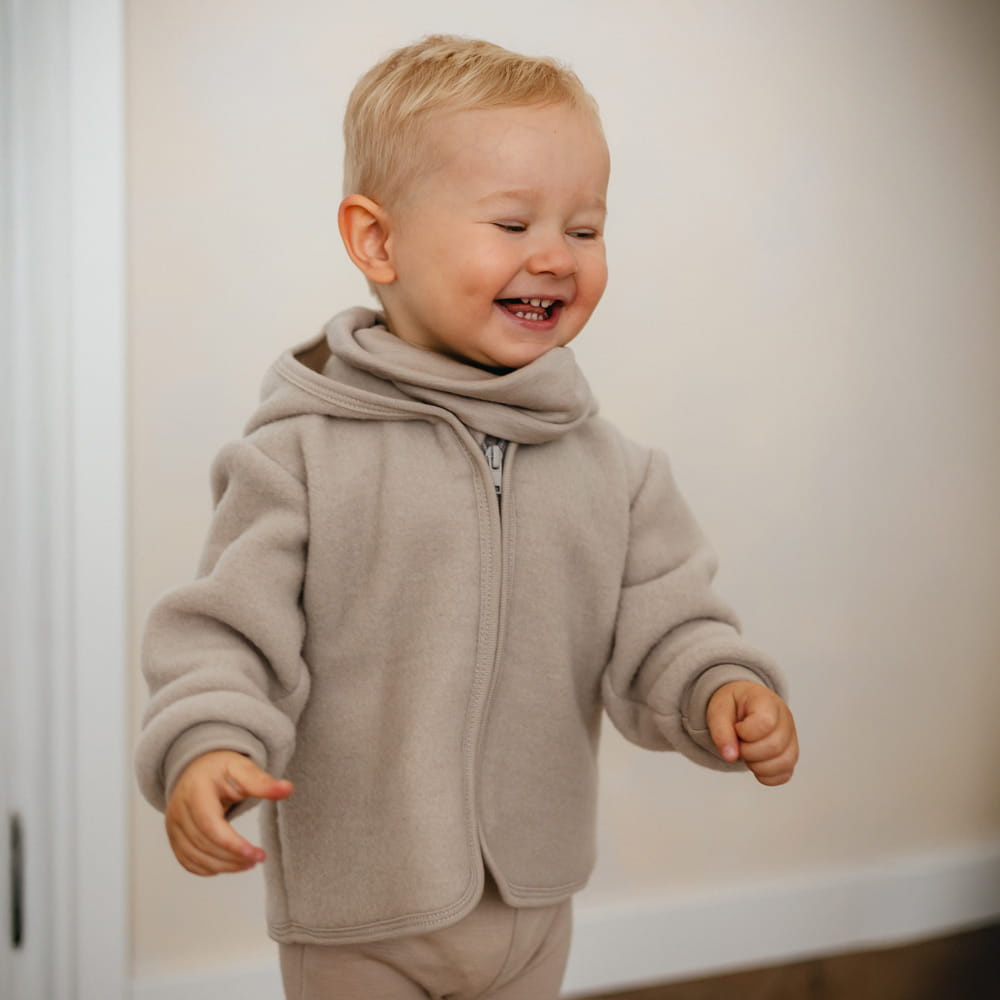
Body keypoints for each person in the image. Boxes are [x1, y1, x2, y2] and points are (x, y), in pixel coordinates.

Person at [135, 34, 799, 1000]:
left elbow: (667, 628)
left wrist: (717, 686)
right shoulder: (300, 456)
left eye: (584, 229)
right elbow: (228, 634)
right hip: (360, 916)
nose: (555, 257)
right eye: (513, 222)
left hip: (532, 905)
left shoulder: (614, 471)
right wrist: (208, 742)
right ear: (378, 241)